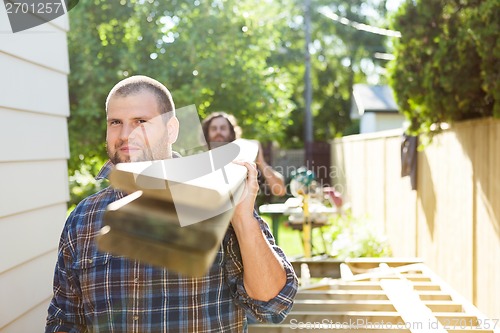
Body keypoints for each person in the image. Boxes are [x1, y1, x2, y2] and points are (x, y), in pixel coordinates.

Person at [45, 75, 298, 332]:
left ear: (171, 129)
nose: (125, 134)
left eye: (141, 122)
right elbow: (64, 322)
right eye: (115, 122)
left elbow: (273, 306)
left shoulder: (216, 199)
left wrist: (243, 219)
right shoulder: (82, 219)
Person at [201, 112, 287, 198]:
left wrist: (260, 161)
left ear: (231, 133)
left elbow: (280, 190)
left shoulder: (244, 158)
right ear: (207, 134)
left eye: (223, 128)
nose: (218, 132)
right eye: (213, 129)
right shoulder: (203, 163)